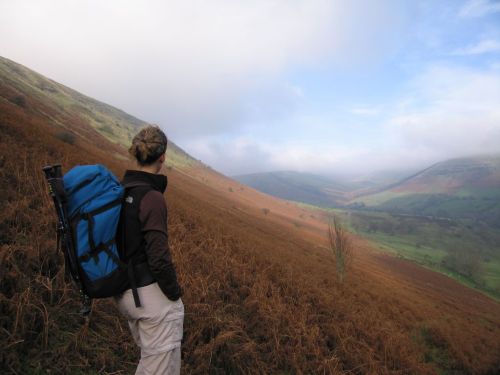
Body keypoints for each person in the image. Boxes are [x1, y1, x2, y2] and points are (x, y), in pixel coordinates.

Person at [115, 125, 183, 375]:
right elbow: (159, 258)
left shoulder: (121, 189)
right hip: (150, 297)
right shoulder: (152, 197)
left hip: (125, 291)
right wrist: (174, 294)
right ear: (162, 157)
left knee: (150, 362)